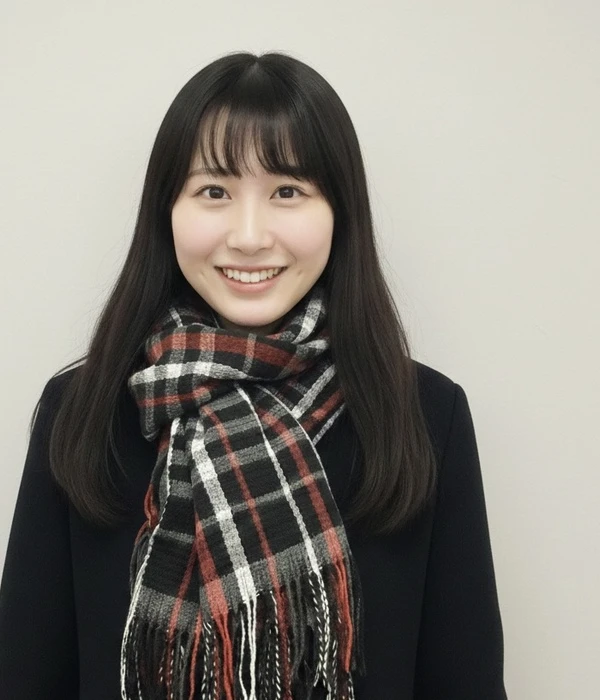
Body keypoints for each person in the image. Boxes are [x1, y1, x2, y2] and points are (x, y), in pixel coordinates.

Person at [0, 51, 507, 699]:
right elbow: (24, 677)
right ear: (166, 210)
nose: (248, 236)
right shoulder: (82, 409)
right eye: (213, 191)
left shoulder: (426, 414)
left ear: (340, 211)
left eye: (287, 192)